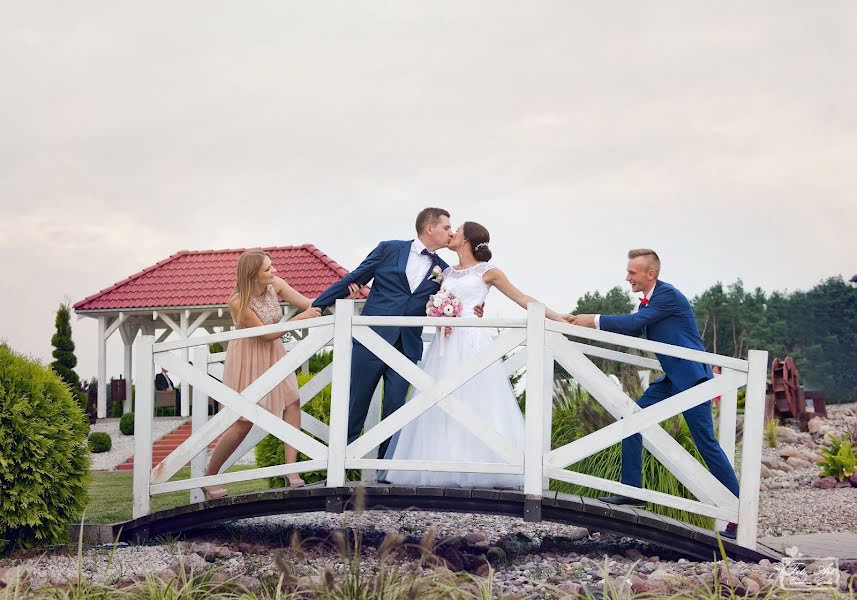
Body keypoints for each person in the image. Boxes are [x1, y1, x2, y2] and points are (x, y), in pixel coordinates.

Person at [383, 221, 570, 488]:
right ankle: (439, 463)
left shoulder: (489, 271)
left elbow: (521, 298)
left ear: (468, 239)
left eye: (456, 230)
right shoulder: (445, 272)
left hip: (473, 343)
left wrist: (556, 317)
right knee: (440, 401)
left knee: (477, 400)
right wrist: (436, 309)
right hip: (444, 344)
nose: (451, 234)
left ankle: (481, 464)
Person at [570, 249, 741, 539]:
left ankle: (738, 515)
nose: (627, 278)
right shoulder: (648, 303)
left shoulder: (667, 296)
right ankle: (633, 491)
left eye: (632, 273)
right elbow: (630, 332)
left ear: (651, 274)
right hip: (671, 378)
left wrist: (593, 318)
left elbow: (634, 324)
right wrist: (575, 326)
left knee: (706, 444)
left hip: (692, 378)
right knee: (632, 418)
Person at [202, 250, 359, 500]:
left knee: (292, 401)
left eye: (272, 266)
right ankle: (209, 476)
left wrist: (343, 299)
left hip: (274, 353)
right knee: (243, 421)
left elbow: (310, 305)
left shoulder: (277, 285)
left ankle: (291, 469)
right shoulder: (238, 301)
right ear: (253, 275)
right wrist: (300, 319)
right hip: (248, 357)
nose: (274, 271)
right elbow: (265, 334)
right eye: (268, 269)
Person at [313, 207, 459, 460]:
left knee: (395, 410)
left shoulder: (444, 270)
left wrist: (475, 310)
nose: (451, 232)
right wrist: (316, 306)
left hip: (407, 345)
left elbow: (454, 302)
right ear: (429, 228)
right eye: (447, 227)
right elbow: (356, 277)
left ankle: (385, 472)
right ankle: (338, 468)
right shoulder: (389, 249)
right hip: (371, 339)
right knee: (355, 405)